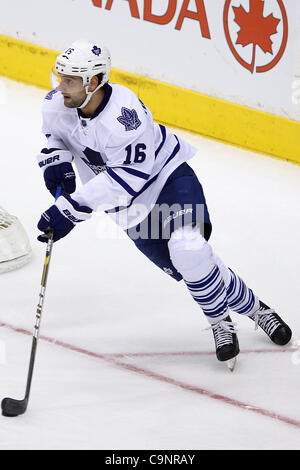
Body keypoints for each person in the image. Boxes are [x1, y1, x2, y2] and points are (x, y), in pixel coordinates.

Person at [36, 40, 292, 365]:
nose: (61, 87)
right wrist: (56, 161)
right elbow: (54, 135)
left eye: (70, 80)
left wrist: (70, 210)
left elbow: (126, 179)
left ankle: (221, 323)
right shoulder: (57, 103)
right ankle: (259, 309)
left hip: (165, 180)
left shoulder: (124, 117)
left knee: (189, 250)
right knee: (196, 268)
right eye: (61, 77)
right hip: (128, 212)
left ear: (95, 82)